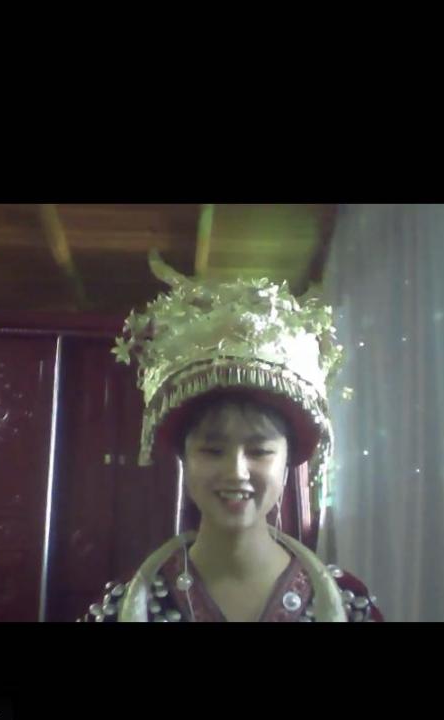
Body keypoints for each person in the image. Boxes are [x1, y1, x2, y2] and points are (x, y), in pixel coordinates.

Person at [78, 251, 384, 623]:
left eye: (259, 451)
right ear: (185, 458)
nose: (236, 471)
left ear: (287, 461)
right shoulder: (126, 606)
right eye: (212, 450)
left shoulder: (347, 604)